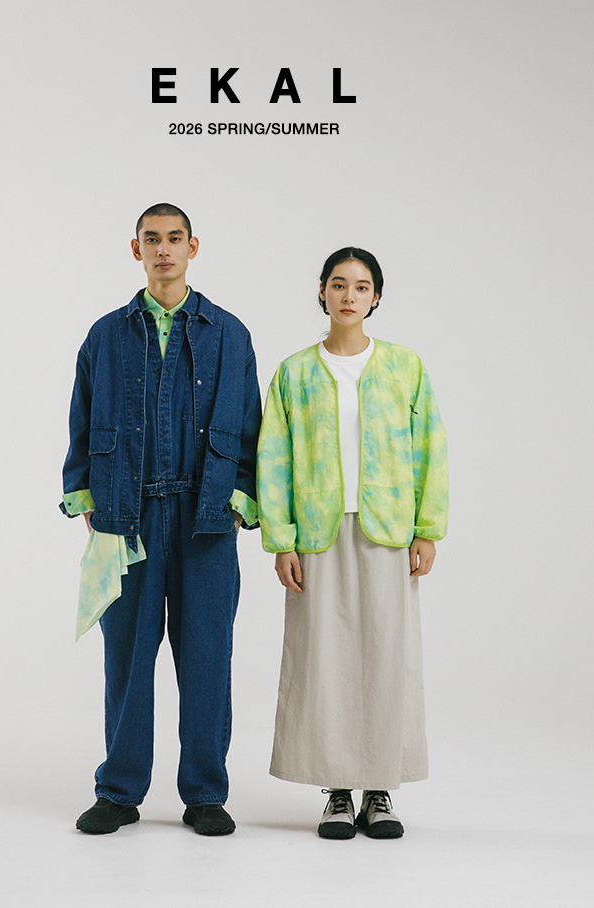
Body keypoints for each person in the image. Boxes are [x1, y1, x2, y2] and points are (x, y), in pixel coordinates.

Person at [61, 203, 261, 836]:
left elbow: (251, 430)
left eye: (175, 239)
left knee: (207, 658)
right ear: (136, 249)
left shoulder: (230, 335)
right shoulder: (105, 335)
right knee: (126, 657)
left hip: (206, 520)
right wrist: (87, 499)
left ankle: (204, 793)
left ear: (193, 247)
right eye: (153, 239)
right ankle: (119, 792)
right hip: (128, 516)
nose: (164, 249)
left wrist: (238, 504)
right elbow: (81, 422)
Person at [256, 247, 448, 840]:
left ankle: (379, 789)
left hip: (387, 529)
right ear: (322, 291)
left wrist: (426, 529)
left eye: (361, 287)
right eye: (338, 284)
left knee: (387, 657)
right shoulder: (294, 372)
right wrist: (281, 539)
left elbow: (429, 448)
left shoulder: (405, 367)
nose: (348, 296)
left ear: (376, 297)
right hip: (317, 532)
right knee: (324, 659)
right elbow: (273, 458)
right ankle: (337, 791)